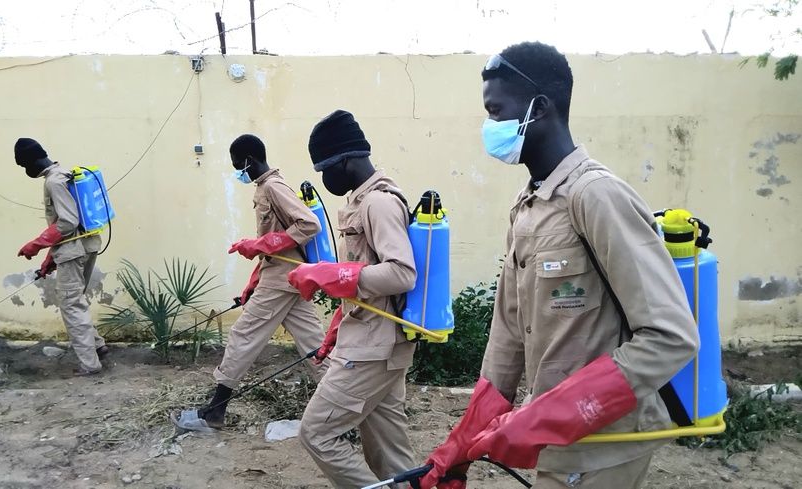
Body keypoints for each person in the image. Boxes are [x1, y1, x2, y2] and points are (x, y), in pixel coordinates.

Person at [418, 42, 699, 489]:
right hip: (556, 442)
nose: (490, 127)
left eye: (497, 112)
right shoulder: (528, 206)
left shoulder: (597, 196)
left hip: (604, 448)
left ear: (540, 108)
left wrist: (550, 414)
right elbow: (509, 332)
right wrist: (461, 443)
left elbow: (670, 337)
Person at [287, 110, 418, 488]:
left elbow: (401, 273)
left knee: (317, 434)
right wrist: (335, 328)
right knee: (389, 454)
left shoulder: (379, 203)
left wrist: (333, 275)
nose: (325, 179)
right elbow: (363, 282)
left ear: (345, 160)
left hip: (372, 350)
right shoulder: (362, 202)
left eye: (325, 169)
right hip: (374, 341)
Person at [174, 134, 328, 431]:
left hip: (282, 280)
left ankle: (215, 411)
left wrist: (258, 245)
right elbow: (277, 245)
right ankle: (348, 405)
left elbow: (309, 224)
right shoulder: (265, 187)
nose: (237, 172)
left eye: (237, 166)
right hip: (283, 277)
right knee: (314, 345)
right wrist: (253, 280)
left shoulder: (273, 186)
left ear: (249, 160)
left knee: (243, 337)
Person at [14, 138, 108, 376]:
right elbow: (70, 226)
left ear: (33, 161)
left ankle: (90, 364)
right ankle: (98, 346)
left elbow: (67, 222)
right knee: (76, 298)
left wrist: (35, 245)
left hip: (73, 251)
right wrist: (49, 260)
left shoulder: (54, 182)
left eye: (26, 167)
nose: (27, 172)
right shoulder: (65, 174)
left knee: (70, 303)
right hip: (86, 246)